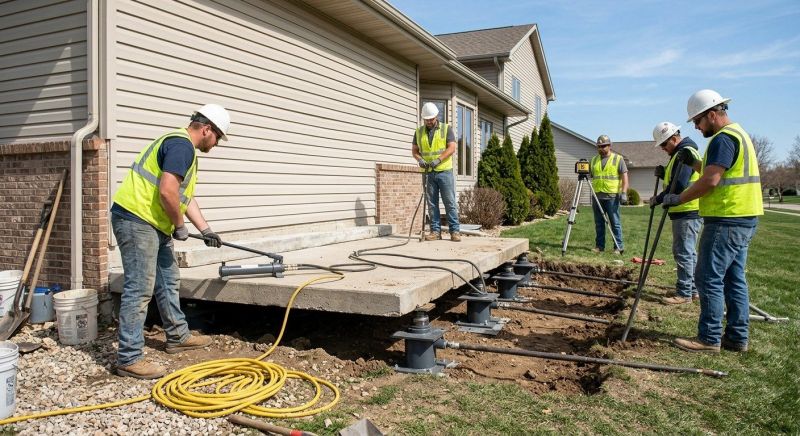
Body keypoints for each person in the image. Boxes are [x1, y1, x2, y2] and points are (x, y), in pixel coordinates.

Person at [110, 103, 230, 378]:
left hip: (153, 223)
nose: (217, 144)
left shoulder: (182, 147)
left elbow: (182, 196)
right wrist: (179, 225)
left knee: (167, 279)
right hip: (136, 219)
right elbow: (167, 192)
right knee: (140, 288)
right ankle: (128, 358)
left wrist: (206, 229)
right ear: (207, 129)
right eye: (218, 138)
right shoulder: (181, 146)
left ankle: (177, 335)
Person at [661, 90, 762, 353]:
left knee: (707, 277)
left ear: (713, 115)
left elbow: (711, 180)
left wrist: (679, 198)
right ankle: (737, 338)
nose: (695, 126)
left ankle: (709, 338)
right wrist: (693, 162)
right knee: (733, 278)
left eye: (697, 121)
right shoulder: (738, 135)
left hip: (727, 219)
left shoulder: (722, 139)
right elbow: (711, 170)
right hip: (745, 216)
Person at [649, 122, 702, 304]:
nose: (663, 149)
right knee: (687, 252)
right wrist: (664, 175)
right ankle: (693, 291)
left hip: (687, 209)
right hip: (684, 210)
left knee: (683, 252)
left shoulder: (685, 153)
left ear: (674, 138)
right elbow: (676, 179)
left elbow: (679, 185)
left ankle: (684, 294)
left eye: (664, 144)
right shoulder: (678, 154)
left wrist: (659, 198)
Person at [412, 102, 461, 242]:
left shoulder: (446, 129)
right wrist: (419, 159)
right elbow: (415, 151)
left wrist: (438, 160)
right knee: (431, 203)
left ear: (436, 116)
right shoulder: (419, 131)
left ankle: (455, 231)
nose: (428, 121)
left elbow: (451, 148)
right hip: (427, 173)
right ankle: (435, 231)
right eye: (426, 119)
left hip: (444, 171)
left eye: (431, 119)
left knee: (449, 202)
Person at [589, 135, 628, 254]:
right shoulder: (594, 160)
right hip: (597, 196)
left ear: (609, 146)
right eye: (599, 146)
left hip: (612, 196)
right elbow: (592, 176)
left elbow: (625, 176)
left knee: (615, 222)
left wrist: (624, 192)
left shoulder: (618, 159)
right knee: (599, 223)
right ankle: (599, 246)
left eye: (603, 146)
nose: (601, 148)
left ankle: (618, 246)